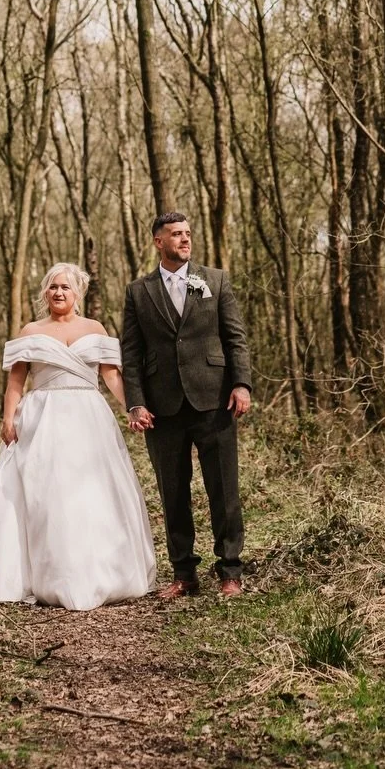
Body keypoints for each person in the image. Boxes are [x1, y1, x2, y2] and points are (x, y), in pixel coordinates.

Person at [0, 262, 157, 610]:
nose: (58, 292)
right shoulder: (31, 331)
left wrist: (133, 407)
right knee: (45, 493)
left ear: (77, 293)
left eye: (65, 287)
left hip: (88, 417)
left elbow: (111, 376)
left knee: (92, 491)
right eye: (53, 287)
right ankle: (48, 574)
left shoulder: (95, 328)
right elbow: (16, 381)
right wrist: (8, 419)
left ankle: (101, 570)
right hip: (43, 417)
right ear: (45, 293)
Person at [121, 211, 252, 599]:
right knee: (173, 493)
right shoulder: (138, 292)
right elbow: (131, 353)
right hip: (162, 407)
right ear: (158, 241)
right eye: (176, 234)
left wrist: (241, 384)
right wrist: (135, 403)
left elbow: (235, 338)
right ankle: (184, 574)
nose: (185, 239)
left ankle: (230, 571)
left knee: (223, 489)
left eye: (188, 233)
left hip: (214, 400)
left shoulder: (215, 280)